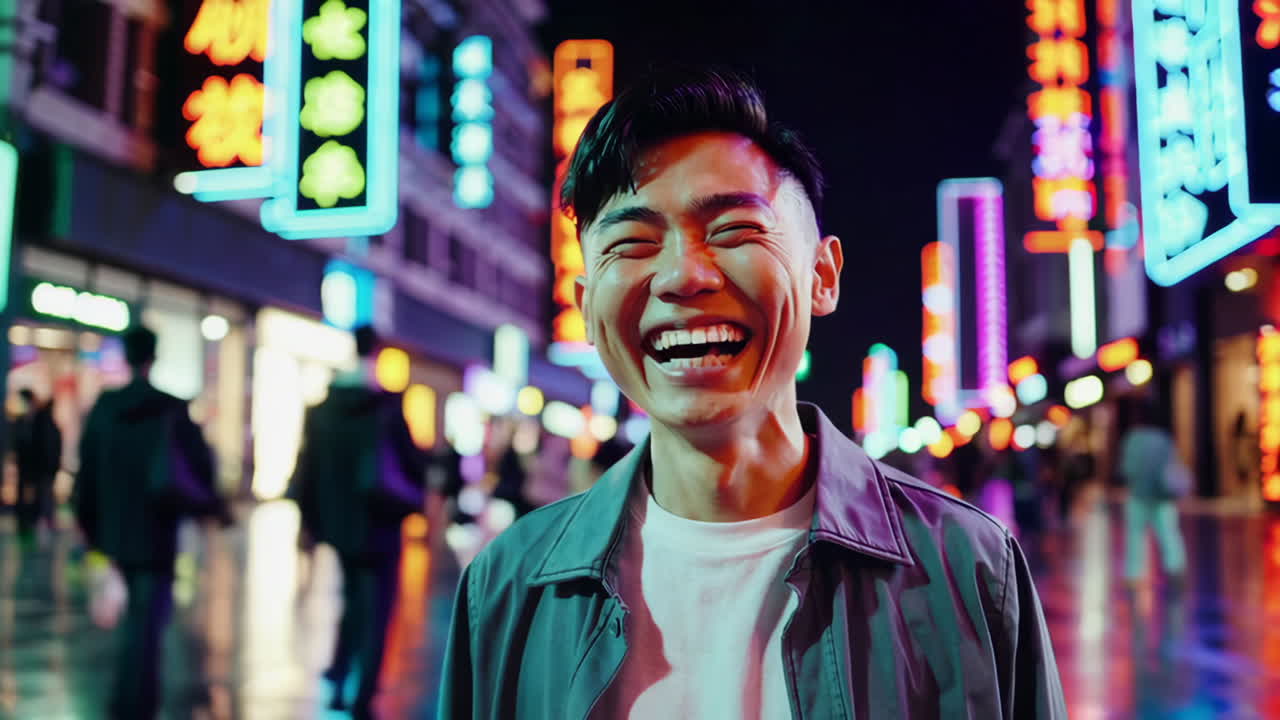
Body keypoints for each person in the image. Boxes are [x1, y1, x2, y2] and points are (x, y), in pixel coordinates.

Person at [438, 67, 1066, 718]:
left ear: (823, 275)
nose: (683, 275)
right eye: (632, 243)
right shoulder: (511, 584)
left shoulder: (968, 570)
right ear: (586, 304)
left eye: (734, 231)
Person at [72, 325, 230, 719]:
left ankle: (126, 701)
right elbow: (198, 470)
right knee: (147, 621)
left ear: (126, 356)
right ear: (153, 357)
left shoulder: (105, 409)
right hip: (158, 531)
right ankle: (137, 704)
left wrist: (90, 529)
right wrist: (210, 508)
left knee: (136, 619)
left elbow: (86, 474)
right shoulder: (170, 409)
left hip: (116, 532)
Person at [288, 324, 426, 718]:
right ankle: (363, 695)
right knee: (378, 609)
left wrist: (310, 524)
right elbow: (411, 464)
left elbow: (307, 469)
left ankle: (337, 675)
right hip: (381, 523)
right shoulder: (386, 407)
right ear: (378, 353)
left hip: (341, 525)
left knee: (350, 599)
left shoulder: (323, 409)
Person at [1118, 398, 1188, 588]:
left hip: (1138, 496)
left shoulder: (1133, 439)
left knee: (1134, 537)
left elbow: (1126, 469)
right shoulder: (1163, 439)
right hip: (1162, 498)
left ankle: (1133, 575)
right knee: (1169, 535)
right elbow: (1171, 466)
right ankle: (1175, 569)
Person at [12, 387, 61, 541]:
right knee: (37, 496)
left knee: (42, 497)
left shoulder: (41, 421)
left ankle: (40, 524)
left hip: (40, 468)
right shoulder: (25, 421)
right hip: (33, 468)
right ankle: (33, 523)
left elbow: (49, 446)